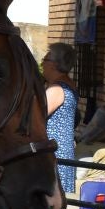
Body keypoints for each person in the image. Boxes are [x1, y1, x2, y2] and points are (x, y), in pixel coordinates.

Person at [42, 43, 79, 198]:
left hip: (54, 152)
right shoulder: (67, 84)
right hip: (61, 149)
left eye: (46, 58)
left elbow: (36, 115)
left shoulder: (57, 90)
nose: (42, 62)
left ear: (55, 64)